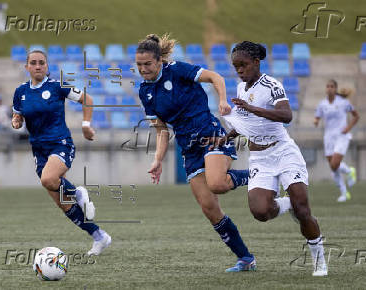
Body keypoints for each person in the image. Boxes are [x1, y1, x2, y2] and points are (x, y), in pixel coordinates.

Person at [136, 34, 255, 272]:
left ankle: (257, 174)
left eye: (147, 64)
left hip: (209, 134)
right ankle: (246, 259)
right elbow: (161, 130)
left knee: (217, 183)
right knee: (209, 208)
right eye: (139, 65)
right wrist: (158, 159)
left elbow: (215, 76)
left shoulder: (177, 70)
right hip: (188, 148)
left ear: (159, 61)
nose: (143, 69)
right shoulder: (145, 93)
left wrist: (222, 101)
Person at [222, 41, 327, 276]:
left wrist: (253, 109)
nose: (239, 70)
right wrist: (226, 137)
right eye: (236, 66)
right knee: (260, 212)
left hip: (283, 151)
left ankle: (319, 260)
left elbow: (286, 115)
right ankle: (287, 204)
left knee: (303, 210)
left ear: (256, 62)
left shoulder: (272, 85)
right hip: (260, 158)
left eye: (243, 65)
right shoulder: (241, 89)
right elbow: (244, 123)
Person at [11, 50, 111, 256]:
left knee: (48, 179)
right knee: (64, 205)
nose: (38, 66)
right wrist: (16, 120)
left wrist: (85, 125)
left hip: (60, 144)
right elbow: (17, 113)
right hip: (39, 150)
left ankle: (79, 193)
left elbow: (87, 99)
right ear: (27, 67)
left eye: (42, 63)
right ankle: (99, 236)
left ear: (47, 66)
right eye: (33, 63)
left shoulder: (58, 86)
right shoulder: (20, 91)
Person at [314, 81, 359, 202]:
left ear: (335, 89)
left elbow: (356, 116)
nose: (329, 89)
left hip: (341, 136)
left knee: (334, 164)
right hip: (328, 137)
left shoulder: (344, 102)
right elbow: (317, 116)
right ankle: (344, 193)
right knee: (333, 168)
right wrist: (316, 121)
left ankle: (350, 171)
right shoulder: (322, 104)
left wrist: (348, 128)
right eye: (327, 86)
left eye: (331, 87)